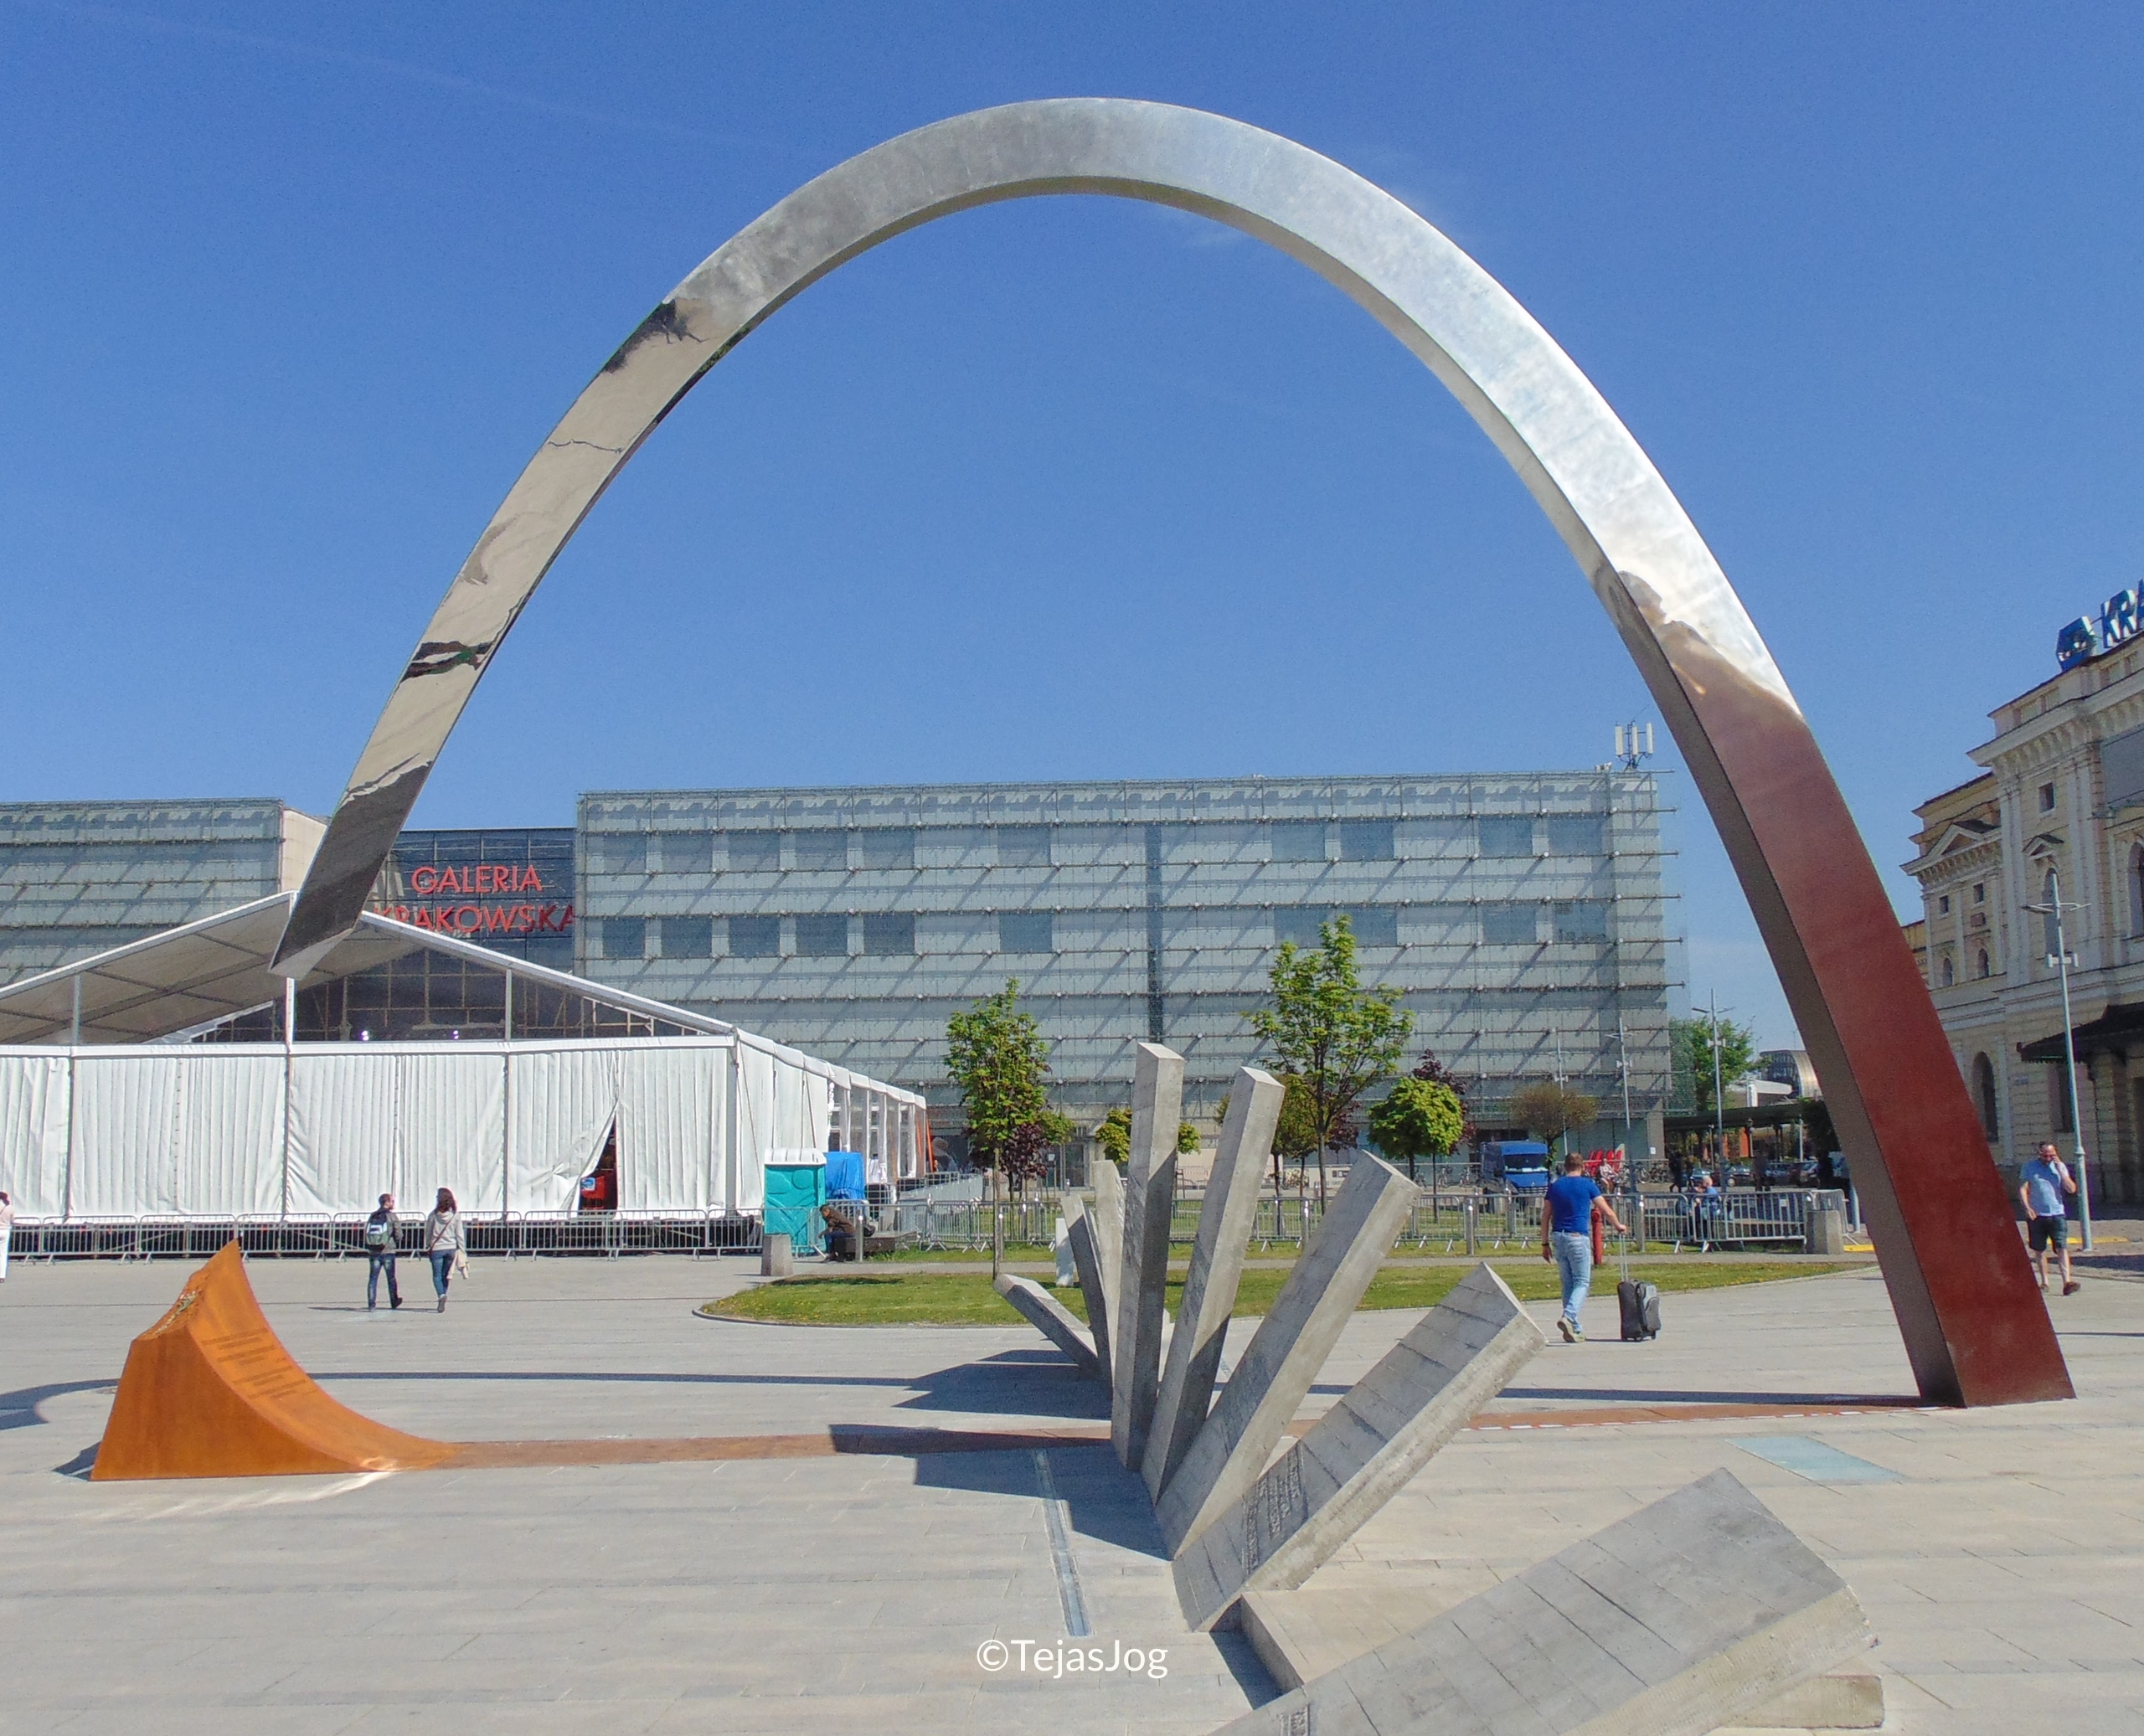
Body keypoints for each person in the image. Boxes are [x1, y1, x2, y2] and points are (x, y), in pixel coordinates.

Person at [1540, 1151, 1626, 1342]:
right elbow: (1605, 1210)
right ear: (1583, 1166)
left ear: (1565, 1166)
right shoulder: (1588, 1185)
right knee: (1582, 1282)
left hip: (1558, 1237)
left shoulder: (1555, 1186)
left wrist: (1544, 1243)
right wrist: (1619, 1225)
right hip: (1577, 1237)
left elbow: (1545, 1215)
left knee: (1568, 1284)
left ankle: (1575, 1328)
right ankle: (1569, 1316)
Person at [2019, 1141, 2082, 1296]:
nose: (2048, 1158)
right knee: (2039, 1250)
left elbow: (2071, 1189)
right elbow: (2023, 1188)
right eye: (2045, 1155)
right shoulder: (2029, 1167)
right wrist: (2027, 1208)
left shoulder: (2059, 1167)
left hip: (2057, 1213)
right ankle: (2044, 1282)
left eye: (2051, 1155)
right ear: (2039, 1154)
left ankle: (2067, 1281)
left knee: (2061, 1248)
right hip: (2038, 1214)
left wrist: (2061, 1171)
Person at [424, 1187, 465, 1312]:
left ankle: (441, 1295)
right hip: (451, 1248)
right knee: (446, 1275)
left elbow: (428, 1232)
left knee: (436, 1276)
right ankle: (444, 1294)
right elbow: (460, 1234)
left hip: (437, 1248)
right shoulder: (455, 1216)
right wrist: (462, 1249)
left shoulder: (434, 1215)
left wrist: (427, 1244)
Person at [363, 1193, 402, 1311]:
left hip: (374, 1251)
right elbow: (398, 1233)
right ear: (387, 1203)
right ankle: (393, 1301)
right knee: (391, 1278)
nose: (393, 1203)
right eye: (392, 1201)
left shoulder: (373, 1216)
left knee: (373, 1278)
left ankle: (371, 1304)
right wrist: (396, 1242)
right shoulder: (392, 1217)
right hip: (388, 1251)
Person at [0, 1189, 15, 1281]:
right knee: (3, 1254)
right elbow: (13, 1220)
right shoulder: (10, 1208)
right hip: (5, 1230)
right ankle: (1, 1275)